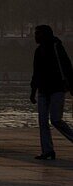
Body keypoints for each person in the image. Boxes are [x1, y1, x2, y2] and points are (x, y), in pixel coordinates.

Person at [29, 24, 73, 160]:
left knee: (56, 120)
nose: (35, 36)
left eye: (38, 34)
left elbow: (66, 67)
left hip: (57, 89)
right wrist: (33, 91)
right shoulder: (38, 51)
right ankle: (47, 150)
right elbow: (36, 72)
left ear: (44, 35)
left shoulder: (56, 47)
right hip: (43, 90)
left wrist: (71, 87)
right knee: (42, 122)